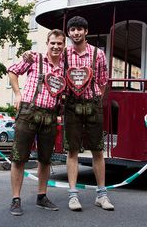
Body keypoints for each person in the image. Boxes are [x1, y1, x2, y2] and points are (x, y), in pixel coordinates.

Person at [8, 29, 66, 216]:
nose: (56, 46)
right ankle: (16, 199)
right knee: (19, 158)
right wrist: (18, 94)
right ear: (47, 43)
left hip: (50, 116)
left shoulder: (65, 68)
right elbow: (12, 71)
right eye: (53, 43)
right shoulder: (34, 57)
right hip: (28, 112)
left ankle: (42, 196)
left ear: (64, 46)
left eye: (59, 43)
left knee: (45, 159)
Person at [64, 16, 114, 211]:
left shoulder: (98, 54)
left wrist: (95, 100)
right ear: (69, 33)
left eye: (80, 29)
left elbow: (103, 82)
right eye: (73, 29)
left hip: (93, 104)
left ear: (86, 31)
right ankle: (73, 196)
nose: (76, 32)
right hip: (71, 105)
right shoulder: (64, 54)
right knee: (72, 150)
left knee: (98, 150)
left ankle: (102, 195)